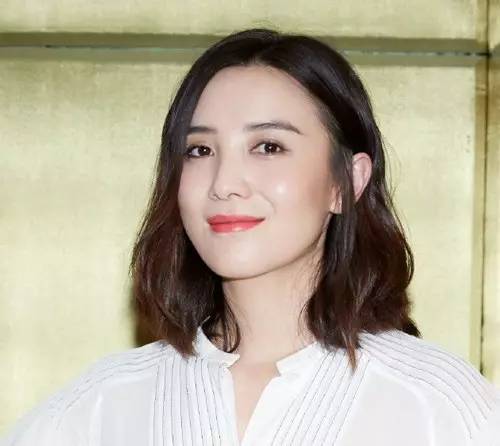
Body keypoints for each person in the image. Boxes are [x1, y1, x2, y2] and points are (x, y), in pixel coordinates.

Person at [2, 27, 500, 446]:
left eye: (268, 146)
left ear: (346, 182)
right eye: (199, 151)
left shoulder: (440, 405)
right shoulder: (101, 405)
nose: (224, 183)